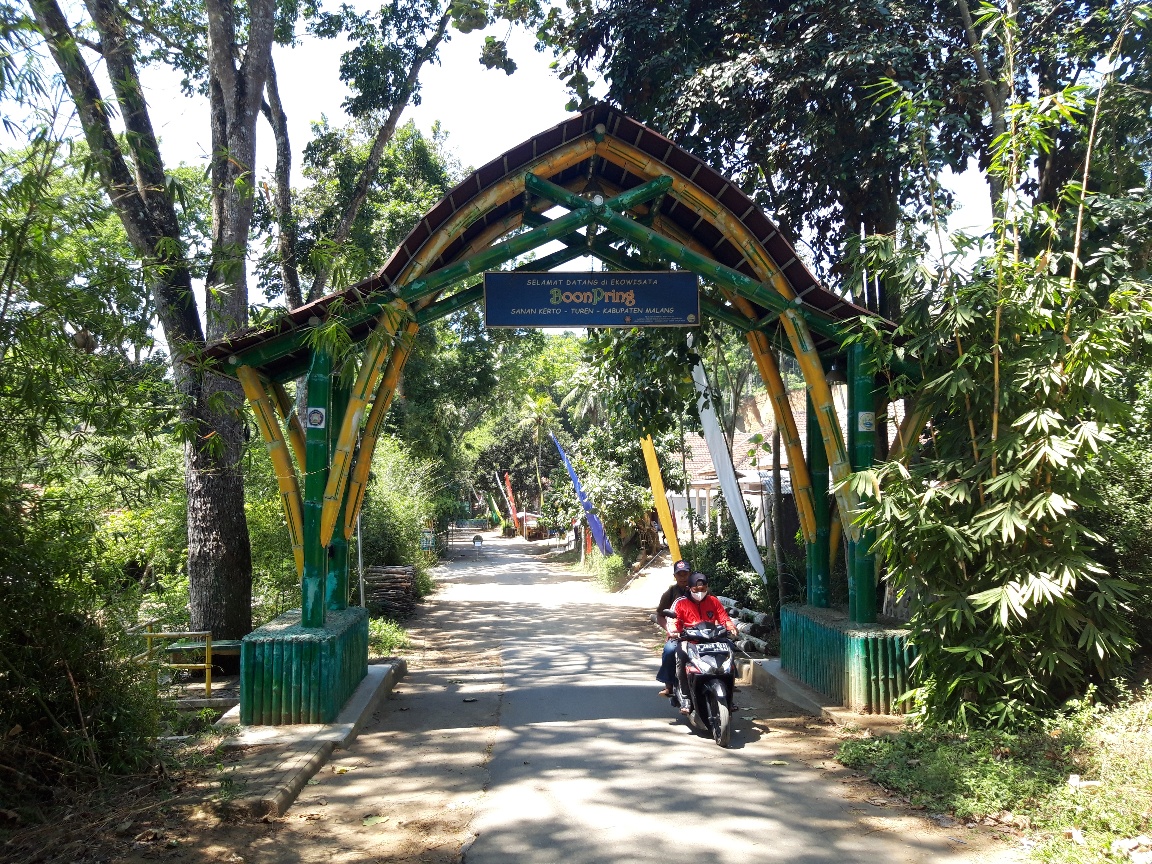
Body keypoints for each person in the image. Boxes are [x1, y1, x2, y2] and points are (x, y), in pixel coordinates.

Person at [670, 573, 738, 713]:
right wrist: (674, 630)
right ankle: (686, 697)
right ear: (689, 588)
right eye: (696, 590)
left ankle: (729, 696)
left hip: (712, 640)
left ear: (707, 587)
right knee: (681, 658)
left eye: (703, 589)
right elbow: (674, 621)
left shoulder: (713, 601)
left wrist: (730, 627)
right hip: (689, 641)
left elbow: (724, 618)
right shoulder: (681, 603)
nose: (700, 593)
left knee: (730, 652)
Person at [655, 560, 692, 696]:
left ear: (690, 574)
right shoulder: (670, 593)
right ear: (675, 576)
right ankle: (669, 686)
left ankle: (727, 683)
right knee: (670, 651)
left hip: (699, 634)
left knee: (723, 647)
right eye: (679, 574)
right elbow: (660, 615)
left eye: (685, 574)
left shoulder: (699, 590)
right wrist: (669, 629)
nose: (683, 577)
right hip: (678, 634)